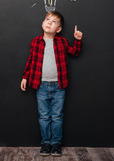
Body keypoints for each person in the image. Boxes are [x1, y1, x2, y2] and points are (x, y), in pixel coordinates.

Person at [21, 11, 83, 156]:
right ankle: (45, 143)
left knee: (56, 116)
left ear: (59, 29)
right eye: (47, 19)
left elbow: (74, 52)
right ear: (42, 23)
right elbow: (30, 60)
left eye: (53, 21)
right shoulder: (36, 41)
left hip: (58, 86)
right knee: (43, 116)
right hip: (41, 85)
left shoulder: (62, 42)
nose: (49, 22)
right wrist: (25, 77)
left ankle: (56, 143)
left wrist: (78, 40)